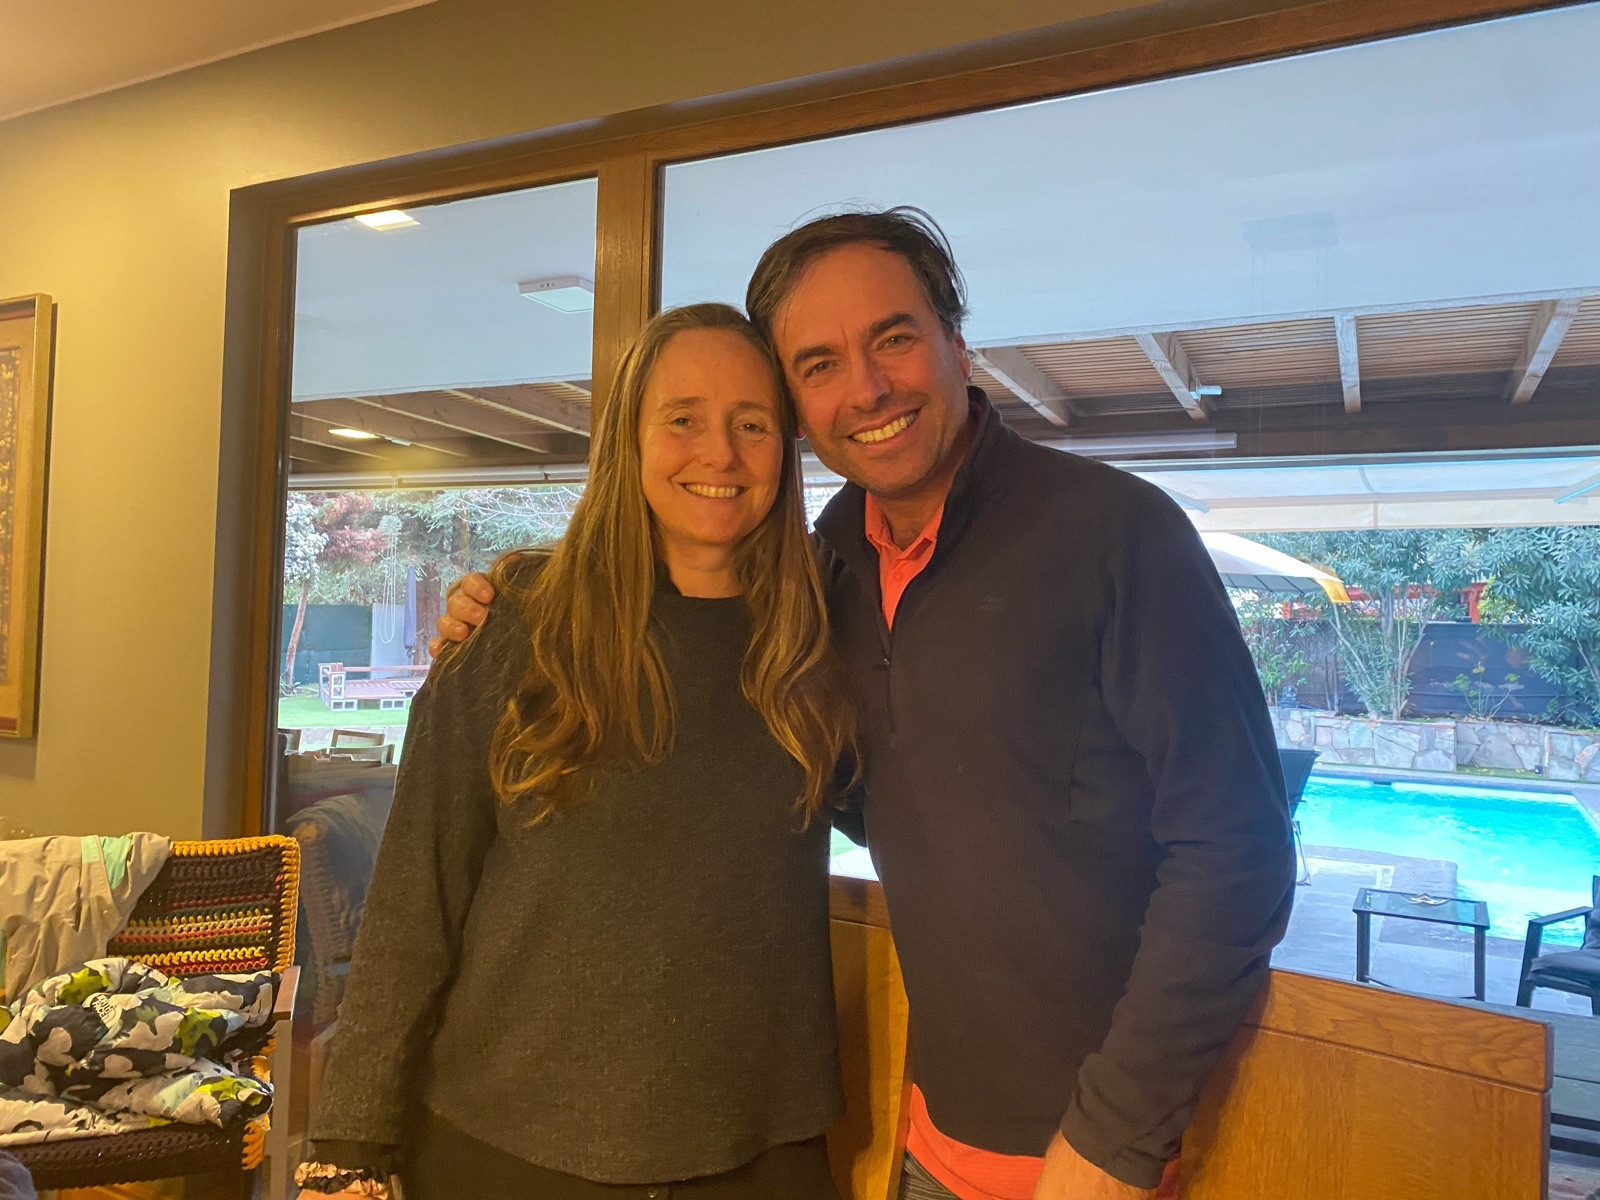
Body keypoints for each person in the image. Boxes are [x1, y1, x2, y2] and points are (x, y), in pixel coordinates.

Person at [439, 209, 1296, 1200]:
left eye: (892, 338)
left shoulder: (1117, 534)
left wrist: (1116, 1138)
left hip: (1091, 1158)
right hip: (925, 1136)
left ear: (956, 345)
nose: (867, 388)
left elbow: (1238, 850)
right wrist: (508, 608)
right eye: (819, 364)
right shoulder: (823, 576)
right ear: (800, 410)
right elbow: (831, 785)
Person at [296, 303, 855, 1200]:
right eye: (683, 419)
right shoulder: (515, 623)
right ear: (628, 438)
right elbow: (416, 894)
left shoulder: (822, 636)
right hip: (508, 1145)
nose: (720, 453)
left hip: (762, 1149)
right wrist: (350, 1141)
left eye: (752, 424)